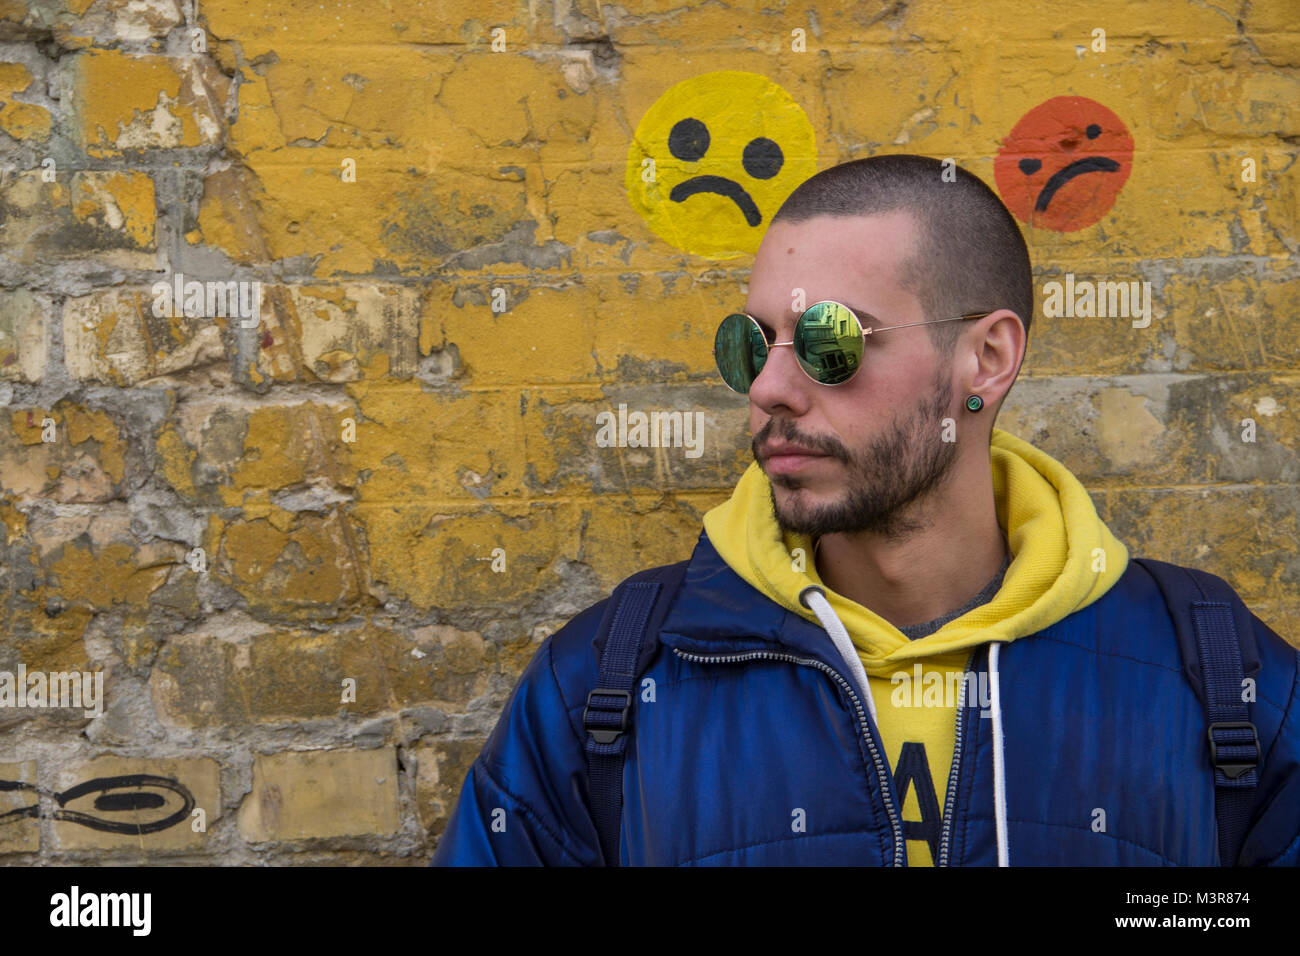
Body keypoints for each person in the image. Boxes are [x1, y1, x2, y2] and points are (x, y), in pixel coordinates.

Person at [430, 154, 1300, 866]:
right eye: (750, 344)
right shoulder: (604, 687)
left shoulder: (1217, 681)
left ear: (985, 358)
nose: (770, 388)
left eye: (828, 342)